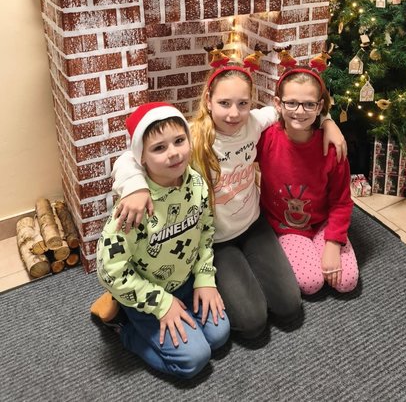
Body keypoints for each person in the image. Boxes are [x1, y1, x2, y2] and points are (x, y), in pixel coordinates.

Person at [104, 58, 347, 340]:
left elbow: (296, 109)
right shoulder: (192, 137)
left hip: (254, 225)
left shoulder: (254, 122)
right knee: (252, 323)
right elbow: (129, 157)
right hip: (216, 239)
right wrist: (135, 187)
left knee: (289, 307)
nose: (234, 113)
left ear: (251, 103)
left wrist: (329, 122)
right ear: (208, 101)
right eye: (224, 103)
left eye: (243, 103)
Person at [93, 102, 230, 379]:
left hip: (185, 281)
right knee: (194, 360)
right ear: (141, 158)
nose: (174, 153)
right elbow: (109, 269)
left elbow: (205, 231)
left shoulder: (197, 183)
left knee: (219, 336)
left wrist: (205, 278)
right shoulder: (134, 208)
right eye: (159, 148)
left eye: (179, 141)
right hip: (147, 293)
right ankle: (122, 324)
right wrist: (161, 304)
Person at [257, 67, 359, 295]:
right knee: (311, 283)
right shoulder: (266, 139)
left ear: (319, 107)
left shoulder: (332, 147)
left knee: (347, 281)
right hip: (285, 226)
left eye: (309, 104)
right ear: (278, 104)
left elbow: (342, 201)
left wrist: (333, 243)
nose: (300, 111)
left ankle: (325, 242)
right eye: (291, 103)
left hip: (323, 222)